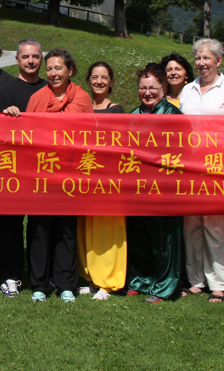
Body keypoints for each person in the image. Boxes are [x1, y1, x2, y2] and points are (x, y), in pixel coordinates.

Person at [15, 48, 91, 303]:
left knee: (66, 230)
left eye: (58, 68)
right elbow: (27, 132)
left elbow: (82, 133)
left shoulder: (81, 98)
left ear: (70, 71)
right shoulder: (37, 98)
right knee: (39, 229)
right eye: (49, 69)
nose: (53, 73)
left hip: (69, 173)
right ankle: (38, 283)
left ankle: (65, 283)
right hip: (40, 172)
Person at [179, 37, 224, 303]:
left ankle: (219, 283)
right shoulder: (188, 89)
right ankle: (195, 280)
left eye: (207, 58)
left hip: (218, 163)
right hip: (190, 166)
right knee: (192, 223)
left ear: (218, 61)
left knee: (215, 224)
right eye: (198, 58)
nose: (201, 63)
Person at [0, 38, 47, 297]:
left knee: (40, 226)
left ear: (41, 59)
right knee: (10, 224)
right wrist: (6, 118)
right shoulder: (5, 92)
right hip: (12, 170)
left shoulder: (50, 91)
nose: (31, 61)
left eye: (35, 56)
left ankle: (39, 277)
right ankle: (9, 275)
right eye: (26, 57)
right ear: (17, 60)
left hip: (44, 169)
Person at [126, 64, 184, 303]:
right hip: (135, 187)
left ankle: (165, 286)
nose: (147, 93)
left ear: (163, 88)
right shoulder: (131, 116)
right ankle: (141, 280)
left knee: (164, 239)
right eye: (143, 88)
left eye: (153, 88)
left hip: (164, 189)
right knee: (139, 235)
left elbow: (183, 152)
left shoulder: (174, 116)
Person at [78, 61, 126, 300]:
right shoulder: (79, 107)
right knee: (86, 226)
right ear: (88, 80)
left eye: (104, 77)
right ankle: (88, 276)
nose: (99, 81)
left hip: (108, 178)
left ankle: (108, 281)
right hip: (84, 175)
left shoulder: (116, 110)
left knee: (107, 229)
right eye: (95, 77)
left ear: (111, 82)